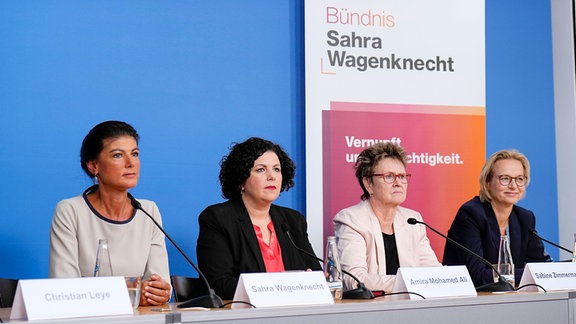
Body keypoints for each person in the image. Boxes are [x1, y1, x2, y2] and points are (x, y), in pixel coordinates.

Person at [49, 120, 171, 306]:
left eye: (135, 154)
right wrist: (132, 295)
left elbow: (157, 285)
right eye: (117, 155)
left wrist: (159, 293)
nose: (131, 163)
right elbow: (65, 289)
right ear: (93, 166)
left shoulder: (149, 211)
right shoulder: (70, 211)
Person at [196, 137, 321, 300]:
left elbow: (316, 277)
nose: (272, 176)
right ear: (241, 179)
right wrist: (287, 285)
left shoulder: (292, 220)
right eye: (261, 169)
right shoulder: (218, 218)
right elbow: (219, 285)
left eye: (277, 169)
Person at [334, 142, 440, 293]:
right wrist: (412, 282)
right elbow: (354, 279)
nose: (398, 183)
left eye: (402, 176)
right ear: (368, 184)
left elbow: (433, 271)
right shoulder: (351, 220)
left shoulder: (413, 220)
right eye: (389, 176)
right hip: (370, 311)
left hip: (411, 308)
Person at [442, 149, 551, 287]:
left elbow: (542, 267)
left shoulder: (525, 218)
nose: (513, 186)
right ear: (487, 181)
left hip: (510, 298)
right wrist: (530, 275)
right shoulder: (471, 214)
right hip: (468, 300)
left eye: (519, 179)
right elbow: (476, 275)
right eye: (505, 178)